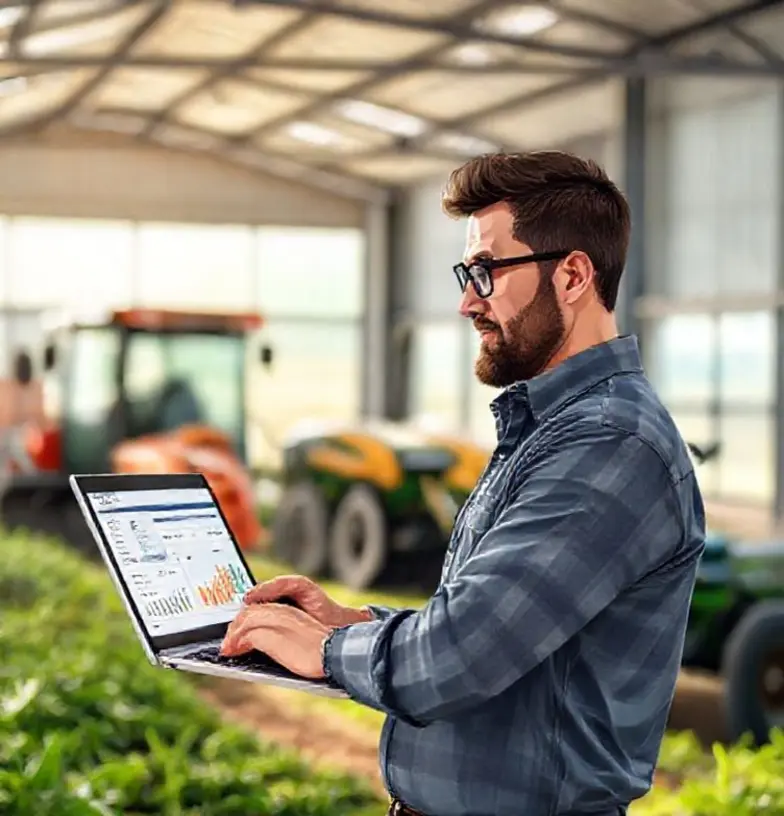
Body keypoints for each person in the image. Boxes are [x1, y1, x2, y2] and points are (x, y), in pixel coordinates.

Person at [221, 150, 706, 816]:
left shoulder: (608, 443)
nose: (466, 301)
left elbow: (459, 658)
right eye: (465, 272)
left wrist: (329, 650)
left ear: (571, 276)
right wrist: (357, 621)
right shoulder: (549, 428)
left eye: (485, 271)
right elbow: (497, 629)